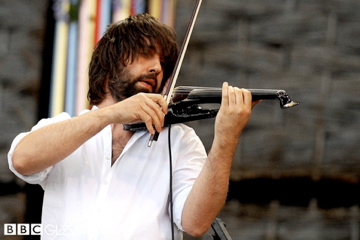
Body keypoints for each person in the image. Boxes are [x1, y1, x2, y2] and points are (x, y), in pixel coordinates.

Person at [8, 13, 256, 239]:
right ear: (111, 63)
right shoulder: (65, 129)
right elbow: (21, 160)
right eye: (146, 54)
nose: (157, 67)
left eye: (163, 63)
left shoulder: (179, 139)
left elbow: (195, 223)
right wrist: (112, 114)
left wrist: (226, 138)